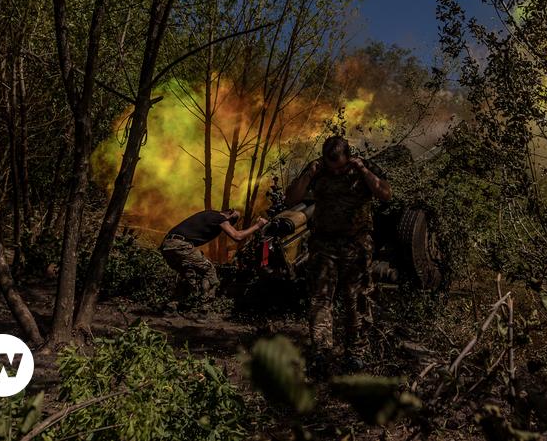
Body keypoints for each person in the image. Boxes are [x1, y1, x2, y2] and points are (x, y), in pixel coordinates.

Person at [285, 136, 392, 374]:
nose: (335, 172)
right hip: (323, 245)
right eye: (330, 166)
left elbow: (385, 194)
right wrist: (308, 175)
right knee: (320, 300)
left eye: (340, 167)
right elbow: (291, 198)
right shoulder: (316, 168)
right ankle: (321, 353)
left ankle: (356, 353)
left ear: (349, 157)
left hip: (355, 245)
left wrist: (363, 171)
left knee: (356, 299)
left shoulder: (362, 168)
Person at [160, 209, 267, 313]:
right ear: (229, 214)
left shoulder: (209, 215)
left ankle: (171, 308)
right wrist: (258, 225)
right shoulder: (219, 217)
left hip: (167, 246)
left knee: (189, 275)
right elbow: (237, 236)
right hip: (181, 246)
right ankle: (203, 311)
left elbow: (238, 233)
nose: (230, 225)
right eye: (232, 222)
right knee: (209, 271)